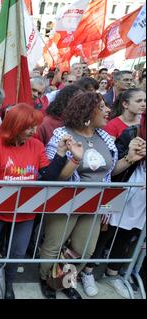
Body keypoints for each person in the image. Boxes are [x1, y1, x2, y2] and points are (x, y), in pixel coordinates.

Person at [39, 92, 145, 299]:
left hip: (96, 204)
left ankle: (63, 280)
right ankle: (47, 281)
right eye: (102, 107)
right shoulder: (63, 135)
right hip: (66, 202)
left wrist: (130, 159)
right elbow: (57, 178)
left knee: (84, 249)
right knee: (54, 245)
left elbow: (110, 171)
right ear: (88, 111)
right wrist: (75, 160)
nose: (108, 111)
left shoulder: (104, 138)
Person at [0, 103, 78, 299]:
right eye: (29, 127)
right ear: (15, 125)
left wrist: (60, 153)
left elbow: (48, 176)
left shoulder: (36, 145)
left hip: (26, 211)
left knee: (17, 253)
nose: (34, 131)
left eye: (35, 126)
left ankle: (9, 283)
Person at [81, 114, 146, 299]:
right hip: (120, 189)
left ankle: (113, 273)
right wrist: (131, 156)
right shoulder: (132, 133)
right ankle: (88, 272)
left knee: (128, 234)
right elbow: (112, 166)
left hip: (141, 199)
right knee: (105, 231)